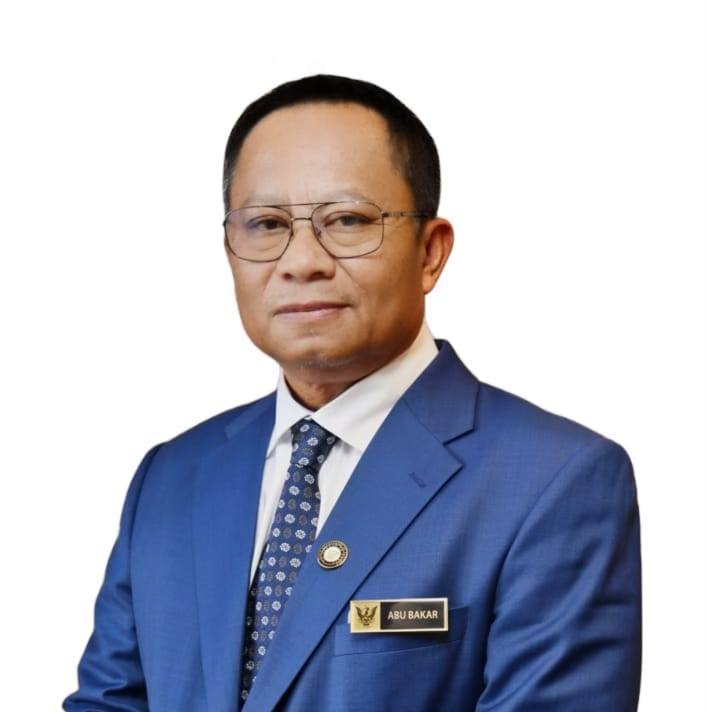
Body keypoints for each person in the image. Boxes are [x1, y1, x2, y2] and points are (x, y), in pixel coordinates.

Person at [63, 74, 642, 711]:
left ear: (430, 252)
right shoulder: (171, 477)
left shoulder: (554, 481)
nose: (300, 261)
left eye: (346, 220)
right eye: (266, 224)